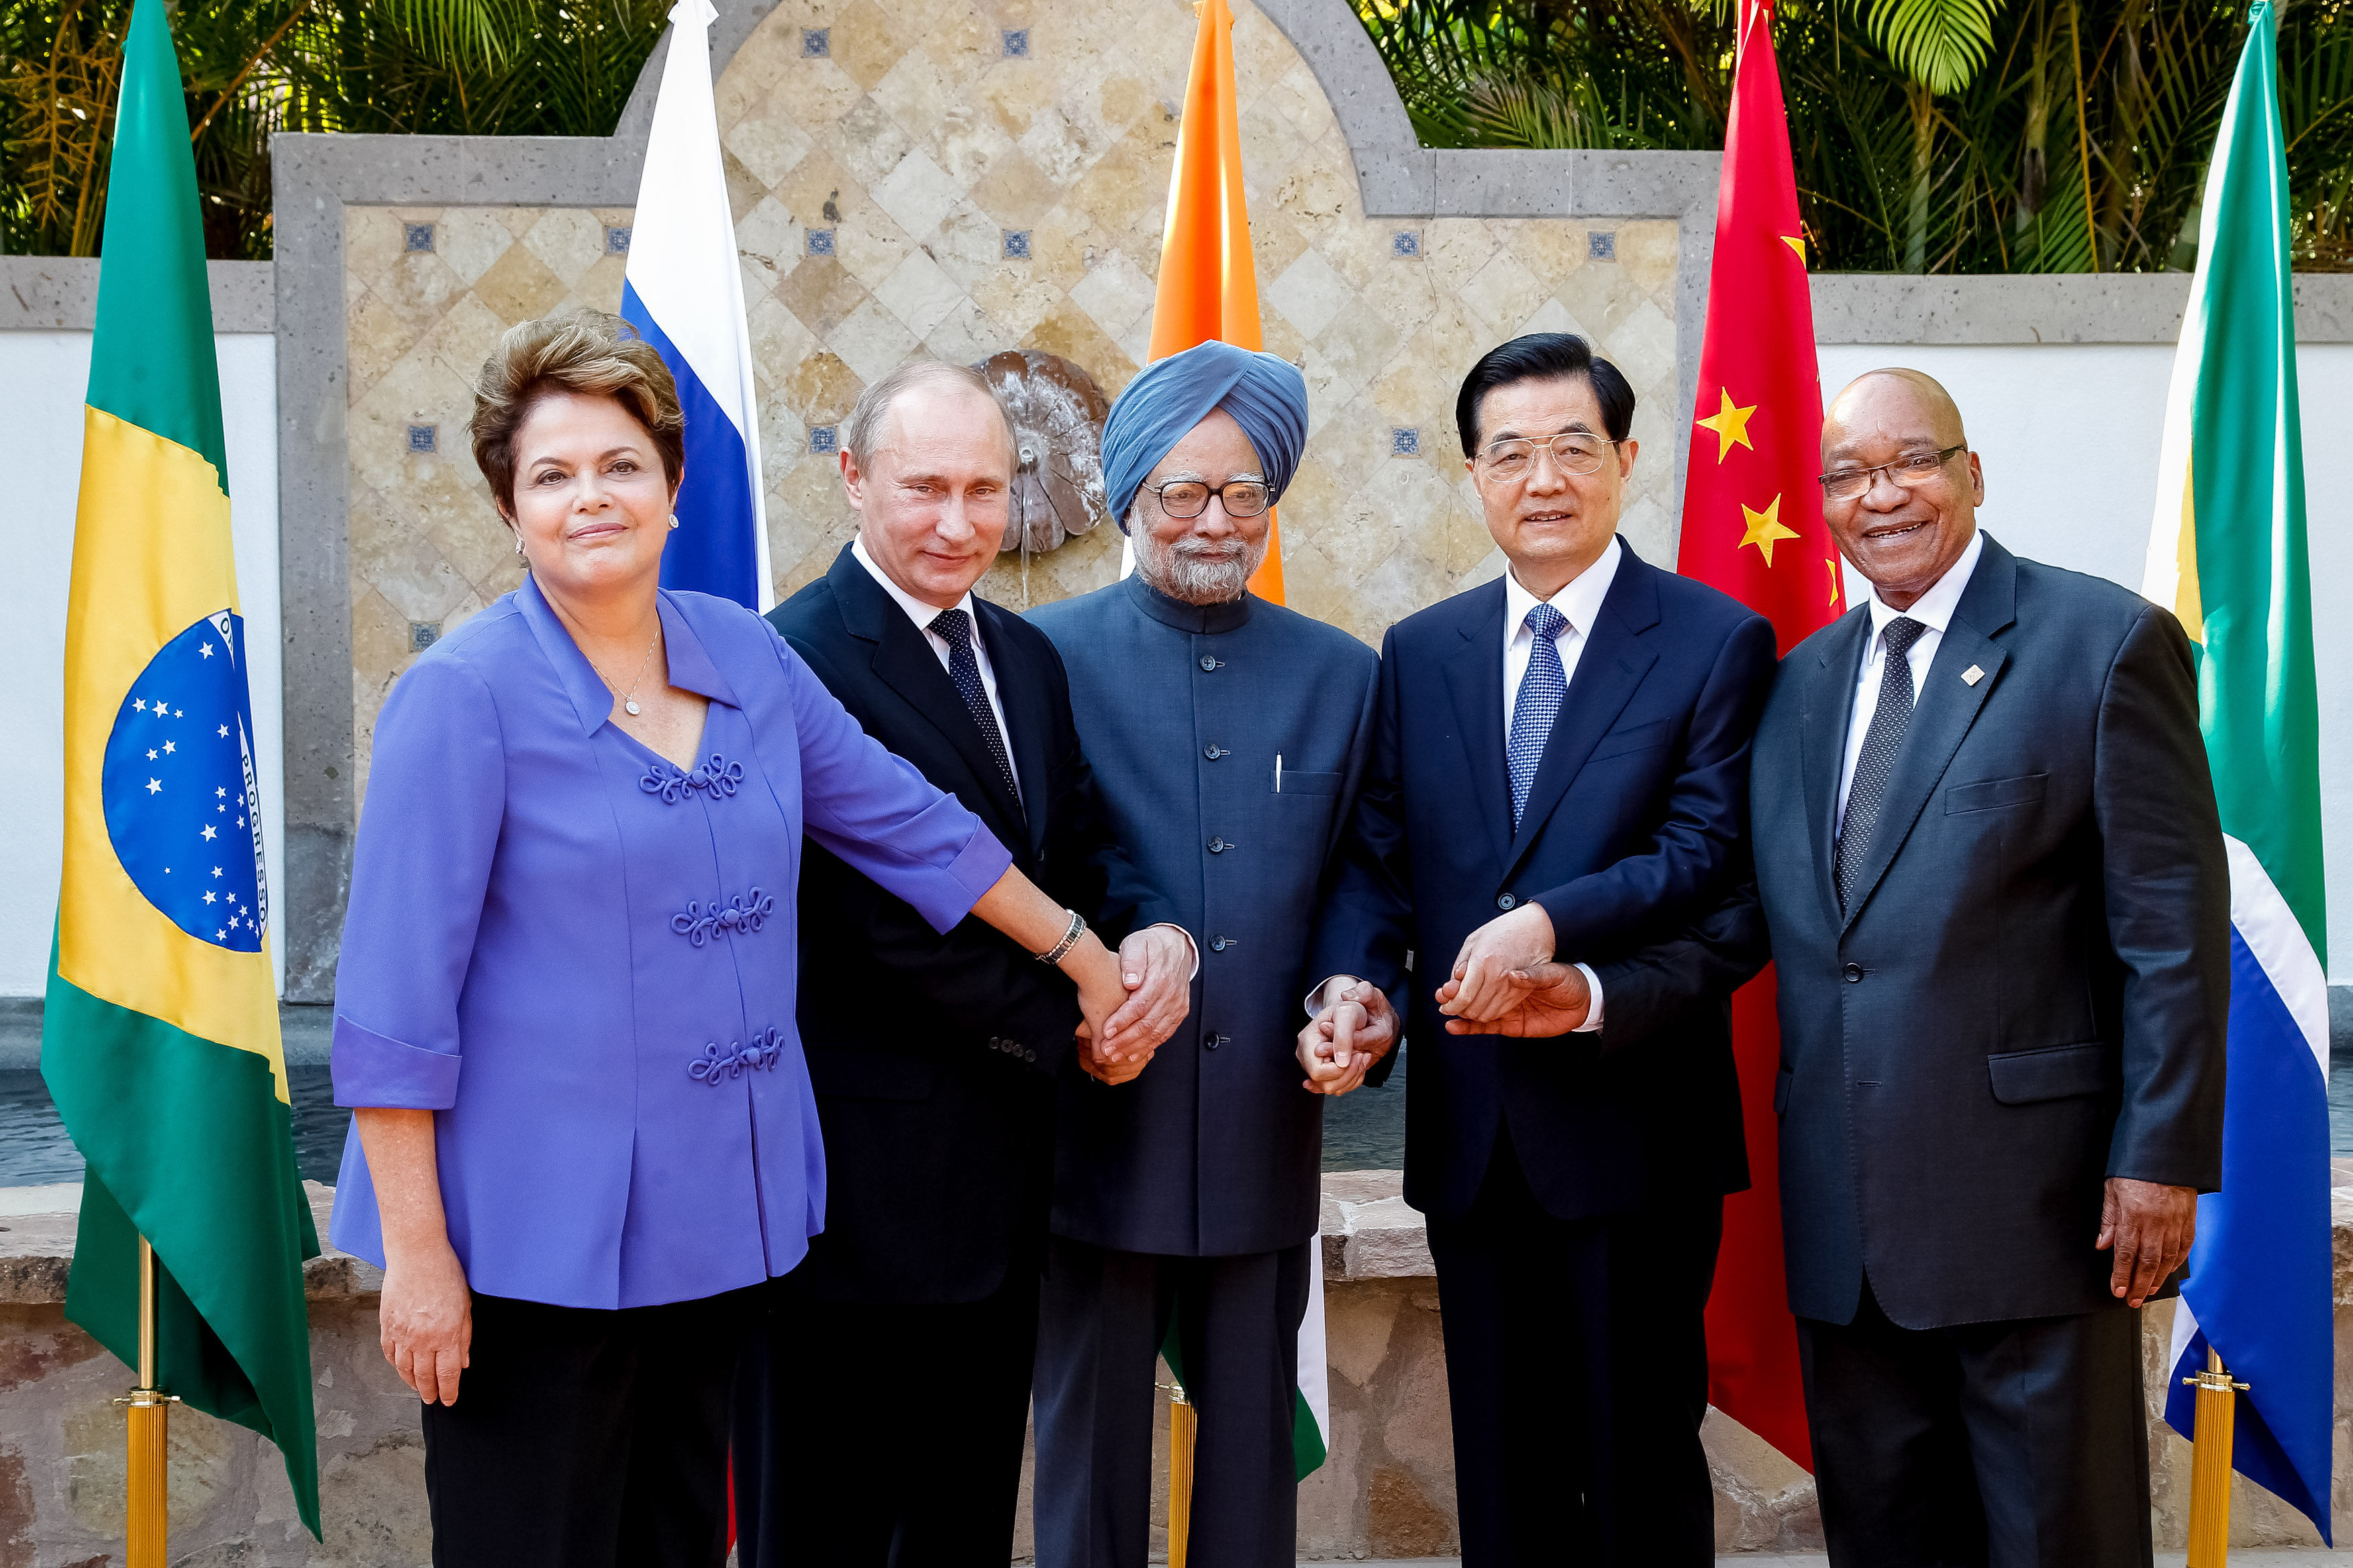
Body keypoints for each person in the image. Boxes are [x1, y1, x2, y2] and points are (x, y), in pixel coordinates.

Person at [326, 311, 1132, 1568]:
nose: (591, 497)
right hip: (525, 1248)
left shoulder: (746, 656)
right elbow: (391, 1014)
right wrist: (418, 1258)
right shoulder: (462, 694)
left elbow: (914, 828)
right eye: (553, 474)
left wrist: (1085, 957)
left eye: (620, 466)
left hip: (712, 1227)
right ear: (509, 506)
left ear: (670, 485)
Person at [1476, 369, 2230, 1568]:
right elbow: (1748, 924)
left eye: (1909, 462)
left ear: (1970, 475)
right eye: (1847, 475)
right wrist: (1594, 996)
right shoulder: (1799, 683)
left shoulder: (2101, 644)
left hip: (2033, 1218)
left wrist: (2160, 1157)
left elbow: (2171, 932)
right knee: (1882, 1545)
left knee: (2058, 1544)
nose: (1879, 495)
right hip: (1845, 1229)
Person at [1299, 333, 1778, 1565]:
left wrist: (1550, 926)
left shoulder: (1714, 639)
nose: (1543, 477)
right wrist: (1355, 983)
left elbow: (1706, 852)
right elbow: (1379, 857)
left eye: (1572, 445)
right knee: (1500, 1477)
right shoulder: (1423, 648)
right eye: (1509, 452)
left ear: (1625, 458)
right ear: (1473, 475)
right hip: (1474, 1135)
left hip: (1635, 1125)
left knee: (1635, 1466)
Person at [732, 361, 1197, 1567]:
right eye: (923, 486)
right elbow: (858, 919)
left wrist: (1148, 936)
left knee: (959, 1523)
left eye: (984, 490)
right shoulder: (793, 657)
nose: (957, 522)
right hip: (852, 1199)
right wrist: (1073, 1026)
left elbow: (1078, 845)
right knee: (825, 1529)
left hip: (1002, 1189)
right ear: (851, 480)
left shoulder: (1025, 657)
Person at [1024, 341, 1379, 1568]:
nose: (1213, 519)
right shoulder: (1042, 659)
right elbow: (1023, 866)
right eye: (1181, 490)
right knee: (1088, 1466)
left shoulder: (1340, 673)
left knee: (1246, 1475)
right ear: (1130, 499)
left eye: (1241, 492)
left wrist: (1351, 986)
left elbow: (1359, 874)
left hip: (1256, 1125)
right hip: (1093, 1123)